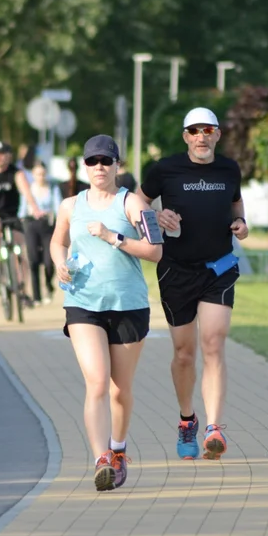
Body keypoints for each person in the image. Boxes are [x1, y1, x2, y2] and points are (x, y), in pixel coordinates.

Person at [51, 135, 162, 492]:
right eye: (92, 161)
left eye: (106, 161)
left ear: (118, 165)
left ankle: (118, 449)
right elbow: (58, 240)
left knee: (119, 390)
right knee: (97, 381)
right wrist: (58, 263)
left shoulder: (133, 204)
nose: (99, 167)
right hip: (83, 302)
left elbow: (155, 251)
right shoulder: (70, 205)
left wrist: (113, 237)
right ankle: (101, 459)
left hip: (128, 304)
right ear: (84, 166)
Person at [138, 107, 248, 461]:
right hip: (176, 270)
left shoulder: (229, 169)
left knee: (213, 342)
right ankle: (188, 420)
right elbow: (139, 201)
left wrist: (241, 222)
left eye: (208, 130)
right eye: (195, 130)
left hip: (218, 268)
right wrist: (155, 217)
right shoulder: (165, 169)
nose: (202, 136)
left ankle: (214, 427)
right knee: (185, 354)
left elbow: (236, 202)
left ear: (217, 134)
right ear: (186, 136)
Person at [0, 141, 42, 306]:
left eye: (3, 154)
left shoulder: (16, 173)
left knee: (21, 254)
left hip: (12, 216)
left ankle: (22, 290)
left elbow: (26, 191)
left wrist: (35, 209)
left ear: (8, 156)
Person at [20, 159, 62, 305]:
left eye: (43, 174)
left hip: (48, 225)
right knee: (33, 260)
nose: (41, 177)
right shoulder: (29, 189)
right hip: (31, 224)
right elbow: (22, 210)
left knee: (48, 261)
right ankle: (36, 295)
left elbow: (58, 207)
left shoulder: (52, 188)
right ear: (33, 175)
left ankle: (49, 285)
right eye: (38, 174)